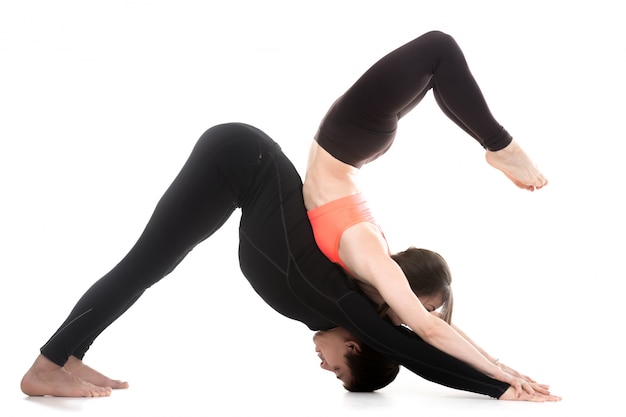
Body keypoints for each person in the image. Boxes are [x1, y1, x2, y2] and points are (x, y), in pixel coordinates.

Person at [20, 123, 558, 401]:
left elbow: (419, 336)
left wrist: (501, 368)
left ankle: (65, 358)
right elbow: (414, 347)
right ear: (355, 345)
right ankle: (48, 365)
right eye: (341, 370)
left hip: (239, 164)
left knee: (148, 267)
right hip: (239, 159)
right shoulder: (338, 298)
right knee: (144, 266)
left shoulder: (324, 303)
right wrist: (502, 384)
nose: (324, 367)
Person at [303, 31, 550, 394]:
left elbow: (437, 328)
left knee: (438, 57)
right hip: (349, 139)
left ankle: (500, 147)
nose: (426, 315)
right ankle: (501, 146)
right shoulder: (373, 261)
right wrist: (501, 374)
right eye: (428, 307)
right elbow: (433, 329)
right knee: (438, 50)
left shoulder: (371, 266)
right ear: (409, 288)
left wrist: (499, 369)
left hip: (350, 139)